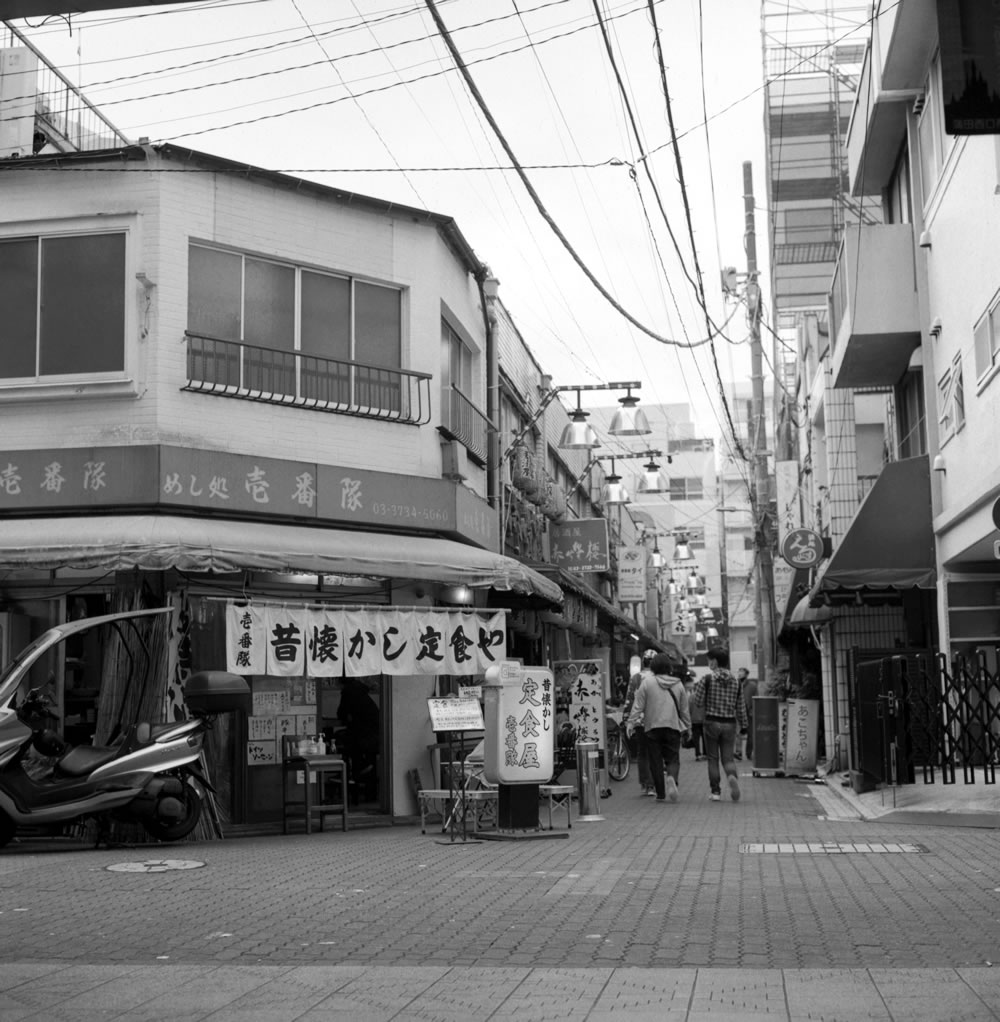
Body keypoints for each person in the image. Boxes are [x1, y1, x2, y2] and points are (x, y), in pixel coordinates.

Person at [627, 653, 691, 803]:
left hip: (652, 727)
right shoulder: (678, 684)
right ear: (669, 667)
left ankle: (660, 794)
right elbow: (684, 709)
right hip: (673, 726)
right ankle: (671, 778)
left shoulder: (647, 683)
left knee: (655, 760)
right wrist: (688, 727)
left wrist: (631, 722)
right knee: (673, 758)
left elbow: (638, 705)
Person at [689, 648, 747, 802]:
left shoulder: (707, 679)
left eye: (709, 660)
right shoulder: (737, 681)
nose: (709, 663)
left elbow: (698, 702)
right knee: (728, 759)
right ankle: (731, 777)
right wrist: (744, 725)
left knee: (712, 759)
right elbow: (741, 707)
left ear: (714, 661)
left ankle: (716, 792)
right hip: (729, 724)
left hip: (711, 723)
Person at [623, 650, 656, 796]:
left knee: (642, 752)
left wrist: (626, 718)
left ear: (643, 661)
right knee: (655, 752)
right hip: (656, 719)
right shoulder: (659, 678)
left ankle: (645, 784)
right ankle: (654, 783)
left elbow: (629, 698)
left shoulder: (636, 678)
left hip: (639, 720)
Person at [738, 668, 759, 764]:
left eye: (741, 672)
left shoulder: (753, 686)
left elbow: (756, 699)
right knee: (737, 732)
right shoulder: (735, 684)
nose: (739, 674)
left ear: (746, 674)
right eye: (739, 672)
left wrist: (753, 710)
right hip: (737, 711)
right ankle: (738, 752)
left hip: (749, 712)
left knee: (751, 734)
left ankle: (749, 753)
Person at [684, 672, 706, 760]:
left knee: (696, 738)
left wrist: (688, 720)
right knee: (704, 738)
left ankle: (698, 755)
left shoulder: (691, 697)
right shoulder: (705, 697)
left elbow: (688, 709)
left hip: (694, 720)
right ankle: (705, 754)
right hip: (704, 720)